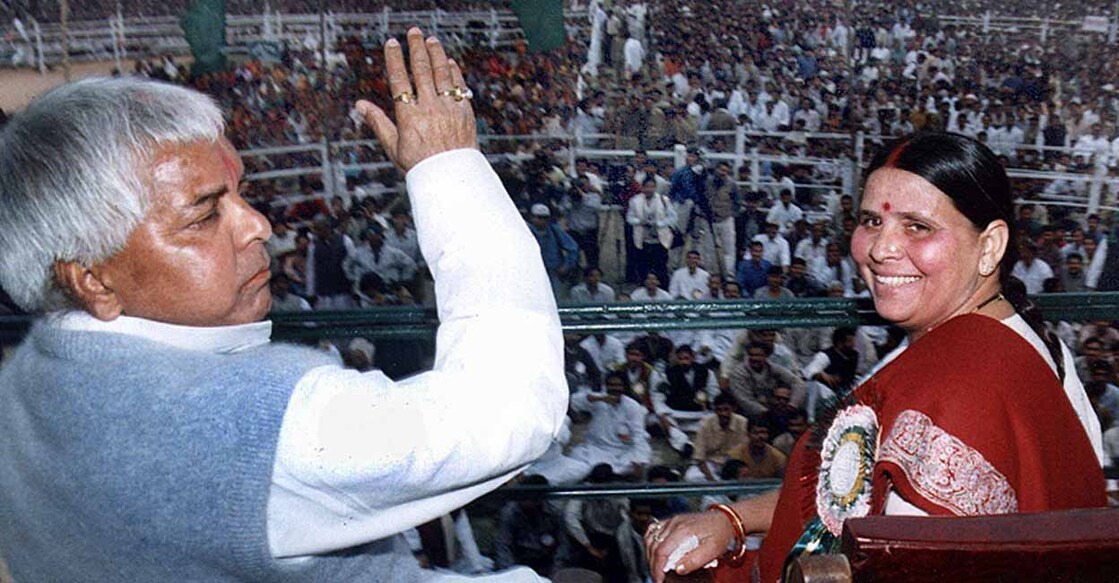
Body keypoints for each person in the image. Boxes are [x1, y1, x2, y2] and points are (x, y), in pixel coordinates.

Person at [0, 29, 566, 581]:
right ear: (91, 280)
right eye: (203, 216)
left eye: (240, 194)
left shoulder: (23, 378)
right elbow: (510, 407)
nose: (259, 226)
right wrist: (448, 168)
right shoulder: (257, 424)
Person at [645, 132, 1106, 583]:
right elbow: (852, 491)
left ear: (989, 246)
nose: (882, 249)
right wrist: (733, 519)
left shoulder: (961, 385)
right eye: (871, 221)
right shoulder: (1011, 340)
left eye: (917, 227)